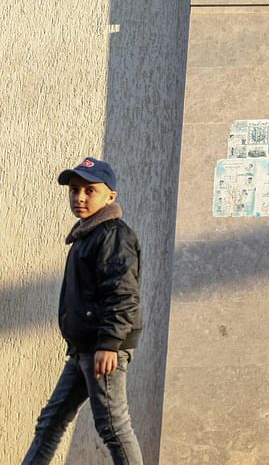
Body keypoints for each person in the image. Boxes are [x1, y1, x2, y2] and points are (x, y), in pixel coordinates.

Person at [23, 157, 144, 465]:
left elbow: (123, 294)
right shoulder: (88, 234)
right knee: (50, 423)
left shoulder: (113, 235)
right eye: (74, 190)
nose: (79, 197)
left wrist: (108, 344)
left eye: (90, 190)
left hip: (102, 347)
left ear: (110, 197)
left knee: (114, 428)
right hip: (84, 348)